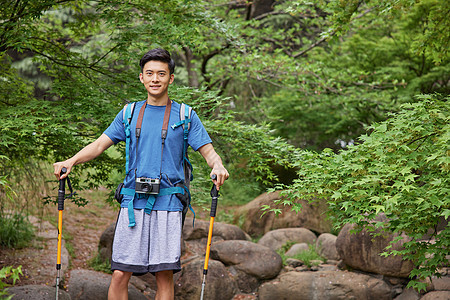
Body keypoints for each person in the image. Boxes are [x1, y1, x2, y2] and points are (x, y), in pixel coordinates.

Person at [53, 48, 229, 300]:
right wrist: (71, 160)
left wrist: (218, 166)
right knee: (120, 273)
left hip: (168, 203)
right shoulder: (129, 114)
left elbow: (209, 152)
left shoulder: (185, 115)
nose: (155, 79)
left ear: (170, 78)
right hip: (132, 202)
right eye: (150, 73)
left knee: (164, 273)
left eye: (161, 73)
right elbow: (99, 144)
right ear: (141, 78)